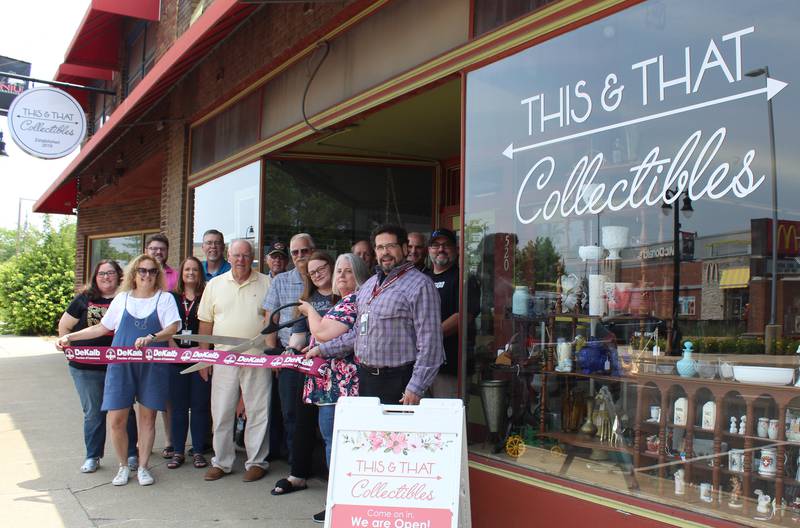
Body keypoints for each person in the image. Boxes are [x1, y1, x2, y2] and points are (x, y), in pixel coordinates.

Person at [56, 254, 181, 487]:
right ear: (134, 273)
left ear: (158, 275)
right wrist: (69, 336)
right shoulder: (122, 299)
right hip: (121, 365)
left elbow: (172, 327)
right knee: (116, 419)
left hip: (152, 366)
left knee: (147, 419)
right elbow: (102, 327)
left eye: (152, 271)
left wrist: (152, 337)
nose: (147, 275)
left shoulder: (164, 299)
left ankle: (143, 466)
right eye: (142, 270)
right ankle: (123, 466)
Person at [275, 253, 370, 524]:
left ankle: (336, 503)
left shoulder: (353, 301)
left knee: (334, 443)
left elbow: (324, 332)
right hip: (329, 381)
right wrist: (313, 346)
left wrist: (309, 311)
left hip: (339, 385)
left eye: (347, 271)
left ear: (359, 275)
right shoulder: (346, 301)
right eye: (338, 271)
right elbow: (327, 337)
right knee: (332, 441)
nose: (341, 276)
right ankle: (337, 500)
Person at [309, 224, 444, 405]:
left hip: (401, 381)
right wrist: (322, 349)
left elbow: (430, 343)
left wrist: (416, 387)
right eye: (380, 247)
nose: (385, 252)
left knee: (397, 434)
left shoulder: (421, 286)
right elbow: (358, 333)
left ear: (404, 249)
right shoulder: (368, 286)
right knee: (372, 434)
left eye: (391, 246)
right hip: (366, 379)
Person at [198, 239, 272, 482]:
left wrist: (272, 356)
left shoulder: (266, 283)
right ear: (228, 257)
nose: (241, 260)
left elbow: (272, 321)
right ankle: (221, 462)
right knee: (221, 410)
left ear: (253, 257)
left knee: (258, 410)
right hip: (222, 357)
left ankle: (257, 462)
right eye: (236, 255)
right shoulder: (215, 285)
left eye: (245, 255)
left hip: (257, 357)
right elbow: (206, 322)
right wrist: (205, 358)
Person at [58, 259, 139, 474]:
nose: (106, 277)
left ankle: (132, 453)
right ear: (95, 276)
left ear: (119, 275)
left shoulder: (128, 298)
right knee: (93, 412)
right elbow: (64, 325)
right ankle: (93, 455)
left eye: (111, 273)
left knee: (125, 410)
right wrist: (68, 348)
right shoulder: (84, 299)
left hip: (119, 364)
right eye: (101, 273)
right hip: (85, 367)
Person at [271, 251, 337, 503]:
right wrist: (290, 351)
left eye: (322, 268)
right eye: (312, 272)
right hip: (310, 369)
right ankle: (298, 474)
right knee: (302, 421)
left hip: (338, 371)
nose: (318, 274)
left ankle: (337, 485)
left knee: (331, 429)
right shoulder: (306, 300)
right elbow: (299, 336)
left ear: (332, 267)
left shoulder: (343, 296)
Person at [263, 233, 313, 465]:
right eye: (295, 252)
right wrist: (274, 358)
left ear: (313, 251)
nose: (300, 256)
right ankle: (296, 463)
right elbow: (270, 322)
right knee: (290, 413)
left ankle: (315, 462)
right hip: (288, 357)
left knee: (314, 412)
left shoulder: (324, 277)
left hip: (320, 357)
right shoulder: (280, 281)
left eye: (305, 251)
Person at [167, 256, 211, 470]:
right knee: (178, 407)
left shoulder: (206, 296)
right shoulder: (172, 297)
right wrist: (173, 349)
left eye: (195, 270)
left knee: (201, 405)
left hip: (200, 358)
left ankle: (199, 450)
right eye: (187, 270)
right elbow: (165, 324)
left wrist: (202, 352)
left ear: (200, 274)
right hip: (176, 359)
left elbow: (210, 326)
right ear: (181, 274)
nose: (191, 273)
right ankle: (177, 451)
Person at [425, 228, 476, 397]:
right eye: (435, 245)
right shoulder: (422, 279)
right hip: (421, 367)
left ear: (456, 249)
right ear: (429, 250)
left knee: (446, 419)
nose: (441, 249)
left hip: (451, 369)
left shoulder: (464, 279)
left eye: (446, 245)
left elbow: (464, 316)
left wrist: (428, 337)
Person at [145, 233, 178, 458]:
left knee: (166, 396)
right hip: (142, 342)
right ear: (147, 250)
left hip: (166, 341)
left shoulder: (174, 276)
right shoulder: (138, 274)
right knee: (143, 395)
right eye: (153, 249)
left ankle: (169, 441)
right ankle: (143, 441)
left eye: (162, 249)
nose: (158, 252)